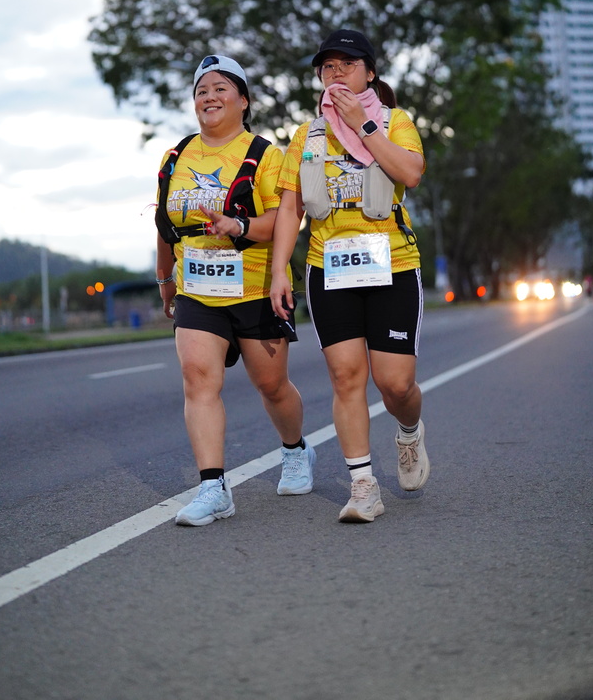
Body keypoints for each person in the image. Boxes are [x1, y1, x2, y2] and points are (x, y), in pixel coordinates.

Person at [270, 29, 428, 523]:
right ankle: (363, 486)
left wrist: (363, 124)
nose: (336, 73)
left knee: (395, 384)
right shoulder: (307, 135)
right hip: (329, 268)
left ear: (370, 73)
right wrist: (279, 271)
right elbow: (290, 207)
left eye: (348, 64)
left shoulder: (395, 121)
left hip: (392, 265)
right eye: (328, 66)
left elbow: (411, 172)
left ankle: (409, 432)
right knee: (345, 377)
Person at [156, 54, 315, 526]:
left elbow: (283, 221)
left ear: (243, 100)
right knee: (197, 378)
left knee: (271, 385)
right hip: (197, 289)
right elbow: (165, 225)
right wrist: (165, 281)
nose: (209, 97)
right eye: (201, 91)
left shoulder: (266, 155)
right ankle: (213, 487)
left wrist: (239, 224)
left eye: (220, 88)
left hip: (255, 288)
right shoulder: (175, 158)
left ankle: (295, 449)